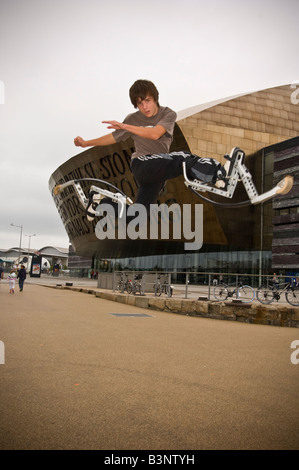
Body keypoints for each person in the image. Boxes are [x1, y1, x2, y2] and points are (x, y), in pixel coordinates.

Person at [74, 79, 238, 220]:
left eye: (147, 101)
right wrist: (86, 143)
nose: (144, 107)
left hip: (157, 174)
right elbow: (113, 137)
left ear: (155, 98)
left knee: (137, 216)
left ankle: (100, 202)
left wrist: (126, 126)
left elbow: (155, 134)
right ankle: (219, 173)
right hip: (142, 164)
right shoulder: (133, 119)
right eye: (139, 103)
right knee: (183, 158)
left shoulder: (168, 114)